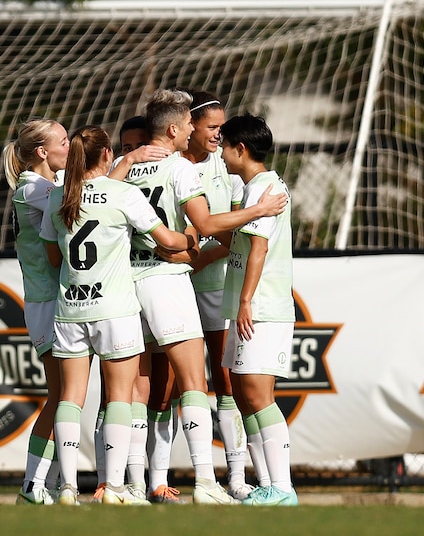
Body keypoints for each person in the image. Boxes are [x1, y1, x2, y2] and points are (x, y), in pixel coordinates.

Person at [108, 89, 287, 505]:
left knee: (137, 387)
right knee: (193, 382)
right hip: (167, 279)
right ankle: (206, 482)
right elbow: (204, 222)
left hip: (124, 282)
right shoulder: (179, 168)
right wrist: (255, 212)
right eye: (190, 123)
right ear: (174, 129)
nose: (195, 129)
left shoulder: (122, 166)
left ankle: (131, 485)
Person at [40, 125, 195, 506]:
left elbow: (53, 258)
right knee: (120, 398)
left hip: (71, 310)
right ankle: (113, 487)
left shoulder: (60, 195)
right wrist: (194, 235)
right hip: (114, 309)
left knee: (70, 398)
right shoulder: (122, 194)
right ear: (108, 154)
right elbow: (169, 241)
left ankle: (68, 487)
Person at [219, 113, 298, 506]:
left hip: (262, 306)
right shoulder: (257, 186)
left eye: (224, 145)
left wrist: (247, 300)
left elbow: (259, 248)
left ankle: (282, 488)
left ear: (241, 149)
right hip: (247, 305)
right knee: (243, 392)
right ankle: (268, 484)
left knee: (257, 393)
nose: (220, 153)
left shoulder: (262, 187)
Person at [182, 91, 255, 501]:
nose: (219, 135)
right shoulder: (169, 166)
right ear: (188, 126)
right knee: (169, 385)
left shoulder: (224, 169)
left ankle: (238, 478)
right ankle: (151, 480)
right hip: (169, 286)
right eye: (212, 127)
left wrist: (199, 258)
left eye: (222, 129)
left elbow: (231, 236)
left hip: (213, 285)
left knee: (226, 381)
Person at [3, 118, 70, 505]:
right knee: (60, 395)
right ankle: (32, 486)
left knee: (70, 396)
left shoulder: (45, 186)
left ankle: (60, 485)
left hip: (60, 299)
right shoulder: (34, 189)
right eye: (64, 140)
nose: (69, 145)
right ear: (43, 152)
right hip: (46, 302)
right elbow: (80, 198)